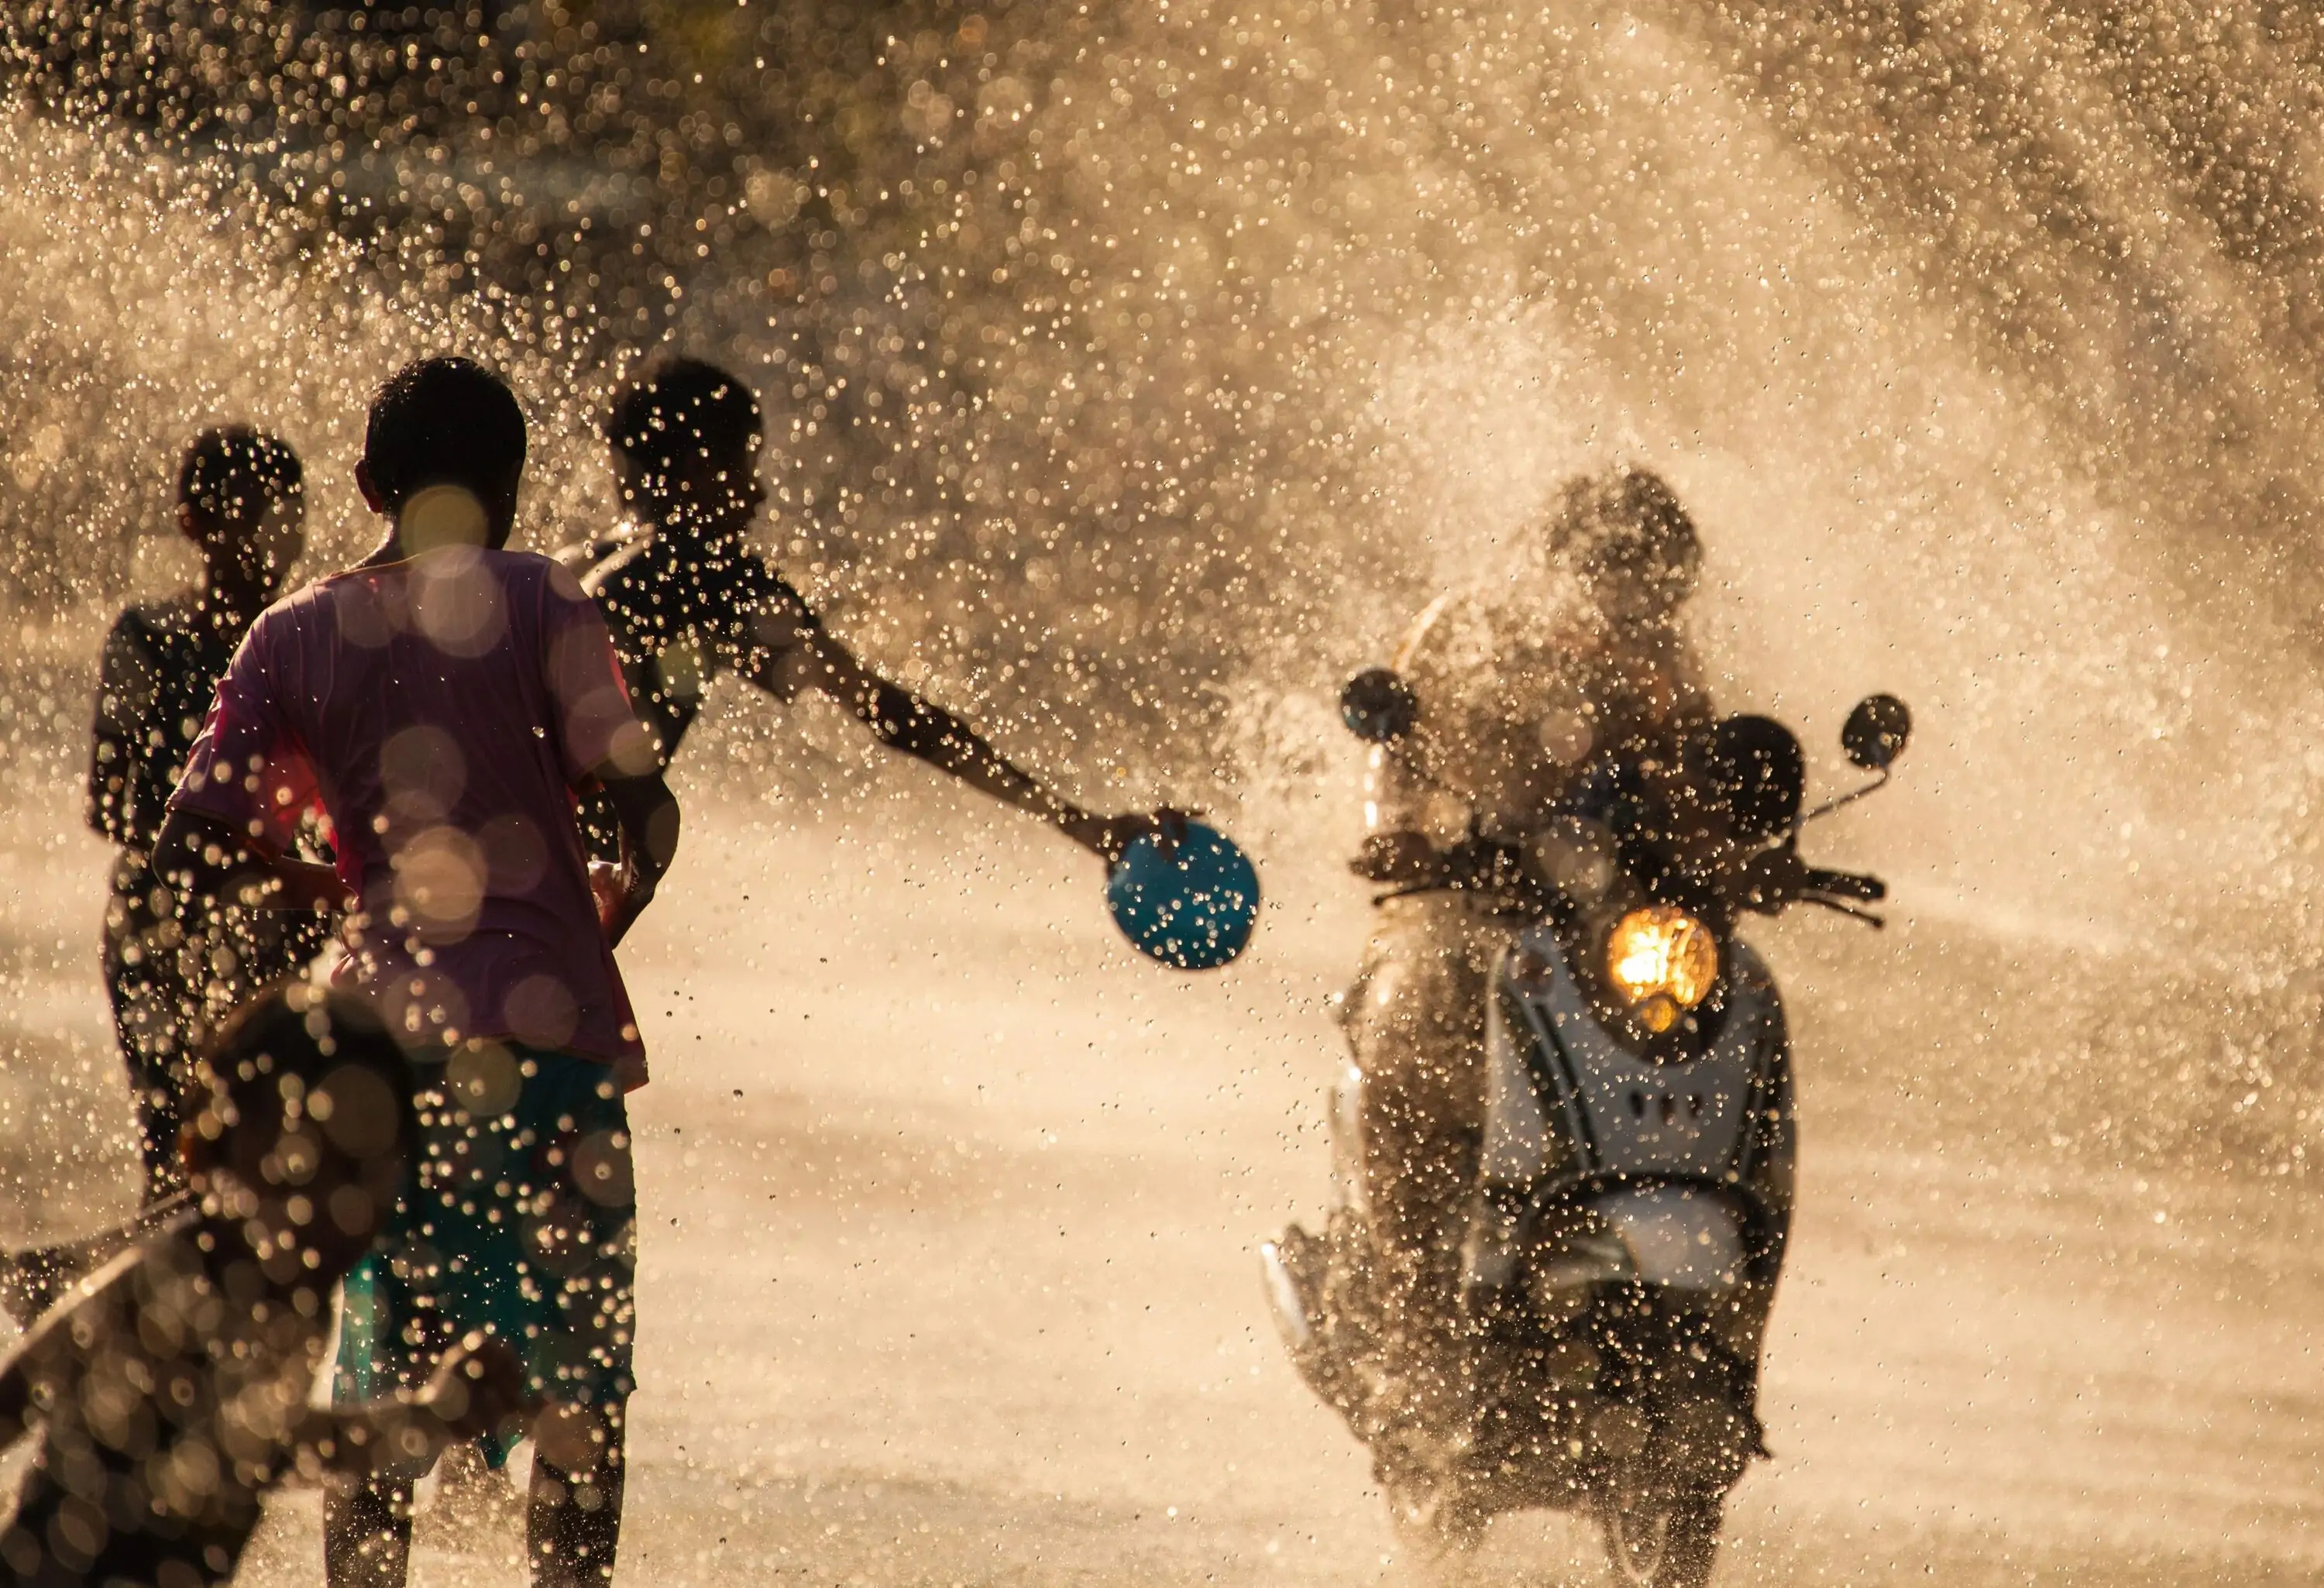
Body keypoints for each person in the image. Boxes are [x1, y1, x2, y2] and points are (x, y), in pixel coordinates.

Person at [150, 356, 679, 1588]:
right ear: (510, 483)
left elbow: (190, 845)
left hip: (388, 1060)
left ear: (366, 482)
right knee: (579, 1391)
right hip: (556, 1050)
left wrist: (328, 891)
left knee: (385, 1386)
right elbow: (648, 814)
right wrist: (606, 900)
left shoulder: (292, 634)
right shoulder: (546, 600)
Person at [1339, 466, 1714, 1469]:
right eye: (1627, 574)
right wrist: (1401, 835)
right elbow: (1397, 751)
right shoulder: (1467, 629)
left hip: (1605, 936)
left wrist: (1747, 851)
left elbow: (1699, 786)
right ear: (1569, 562)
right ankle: (1413, 1337)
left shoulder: (1665, 663)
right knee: (1412, 1031)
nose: (1644, 600)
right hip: (1464, 909)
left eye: (1661, 584)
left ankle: (1670, 1306)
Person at [0, 985, 530, 1588]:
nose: (343, 1204)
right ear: (218, 1150)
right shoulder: (180, 1271)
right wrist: (428, 1417)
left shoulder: (299, 1298)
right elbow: (268, 1445)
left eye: (369, 1169)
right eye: (306, 1165)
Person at [556, 356, 1165, 869]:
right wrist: (1079, 823)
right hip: (555, 876)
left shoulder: (564, 568)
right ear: (698, 471)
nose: (760, 493)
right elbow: (887, 713)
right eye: (746, 467)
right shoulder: (709, 572)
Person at [87, 427, 325, 1206]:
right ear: (194, 523)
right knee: (177, 1146)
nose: (270, 535)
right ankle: (164, 1286)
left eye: (284, 514)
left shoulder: (316, 640)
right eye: (248, 513)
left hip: (273, 926)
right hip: (167, 926)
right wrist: (227, 857)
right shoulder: (149, 638)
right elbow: (113, 802)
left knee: (274, 1152)